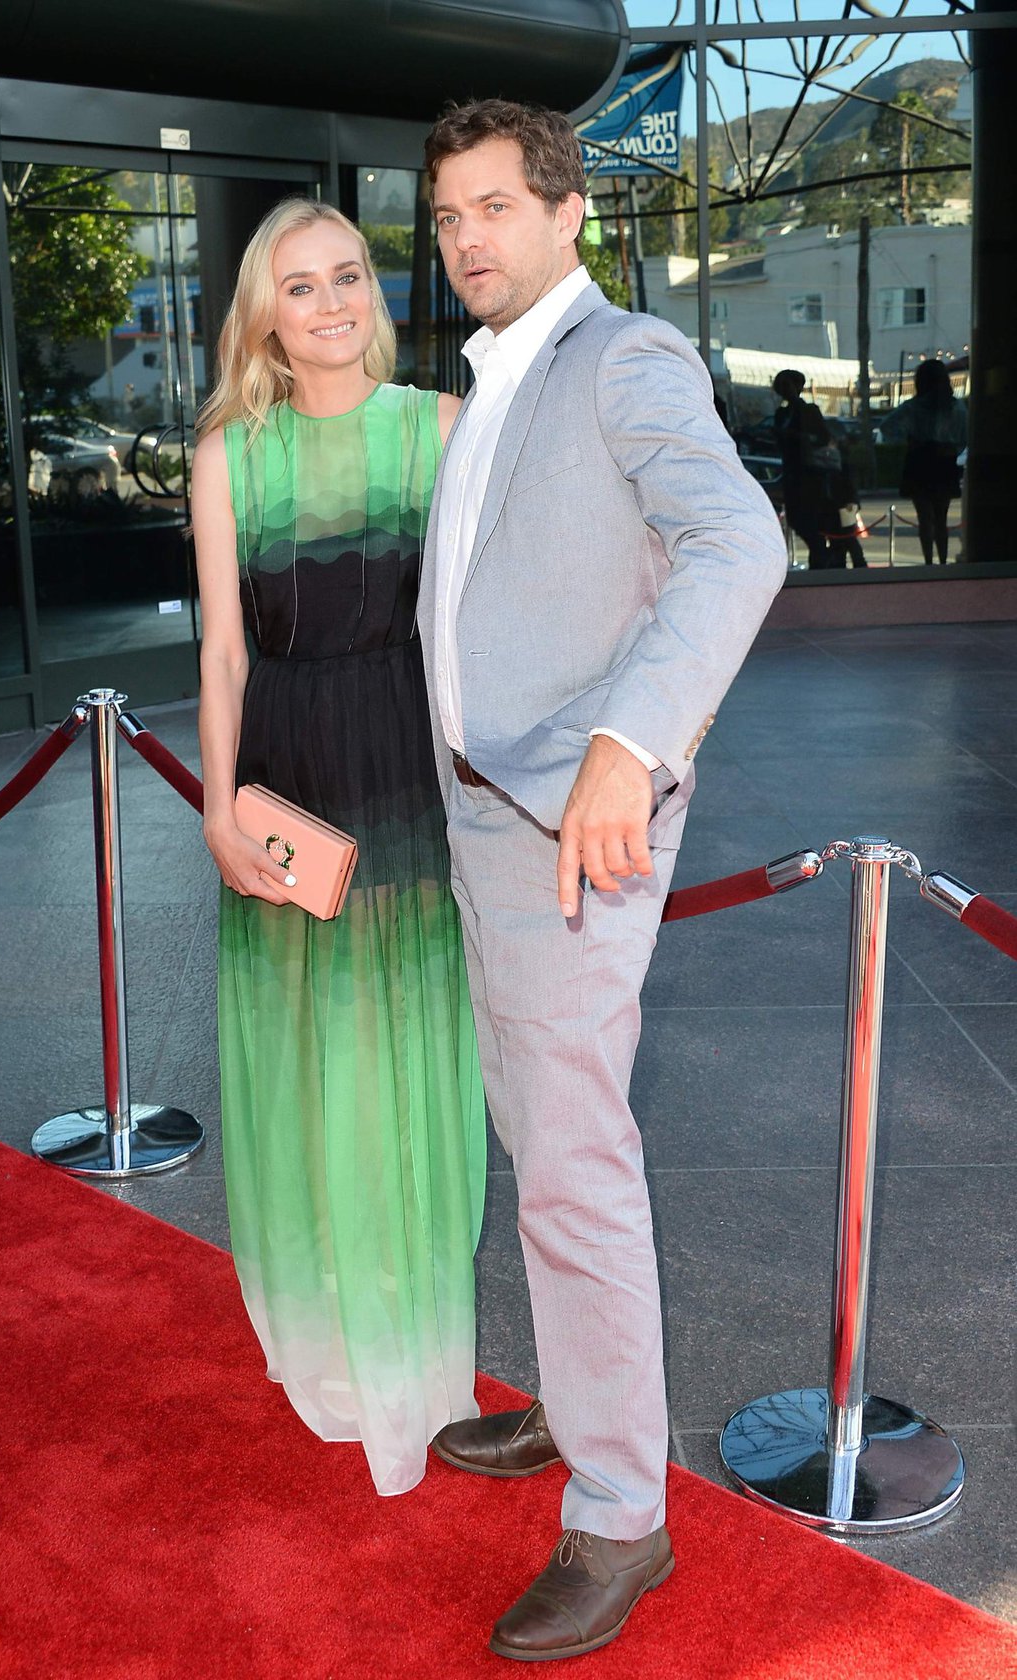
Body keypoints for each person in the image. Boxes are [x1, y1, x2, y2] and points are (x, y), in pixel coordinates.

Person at [419, 100, 787, 1663]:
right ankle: (582, 1412)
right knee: (538, 1136)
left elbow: (737, 543)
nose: (468, 241)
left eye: (495, 207)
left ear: (567, 213)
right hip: (489, 811)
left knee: (572, 1165)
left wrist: (630, 746)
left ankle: (622, 1518)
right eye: (446, 219)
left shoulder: (622, 357)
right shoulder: (497, 375)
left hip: (574, 821)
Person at [190, 199, 486, 1498]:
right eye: (297, 287)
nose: (327, 305)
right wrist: (214, 805)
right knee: (306, 1051)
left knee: (401, 1046)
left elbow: (486, 628)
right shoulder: (227, 455)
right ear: (263, 312)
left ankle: (409, 1339)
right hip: (288, 774)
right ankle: (319, 1317)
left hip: (404, 768)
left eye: (347, 277)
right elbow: (218, 654)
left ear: (375, 288)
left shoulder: (435, 428)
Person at [882, 359, 967, 564]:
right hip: (944, 461)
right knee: (941, 517)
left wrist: (909, 439)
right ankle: (943, 561)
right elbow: (966, 435)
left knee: (924, 517)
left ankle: (928, 561)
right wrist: (953, 446)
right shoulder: (955, 406)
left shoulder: (913, 407)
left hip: (920, 459)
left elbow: (887, 427)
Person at [771, 368, 841, 569]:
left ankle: (820, 554)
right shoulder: (781, 413)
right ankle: (820, 552)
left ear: (798, 387)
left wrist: (798, 436)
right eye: (781, 386)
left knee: (808, 515)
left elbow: (823, 438)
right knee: (795, 517)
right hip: (792, 471)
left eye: (787, 385)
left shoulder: (808, 410)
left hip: (810, 473)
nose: (784, 390)